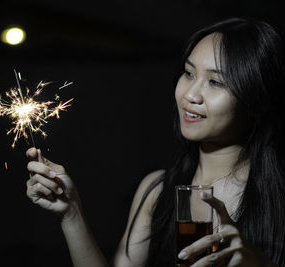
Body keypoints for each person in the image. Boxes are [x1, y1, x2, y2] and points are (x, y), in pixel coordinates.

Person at [25, 17, 285, 267]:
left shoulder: (278, 197)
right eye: (188, 73)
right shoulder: (157, 190)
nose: (190, 94)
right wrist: (71, 214)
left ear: (256, 99)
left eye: (215, 82)